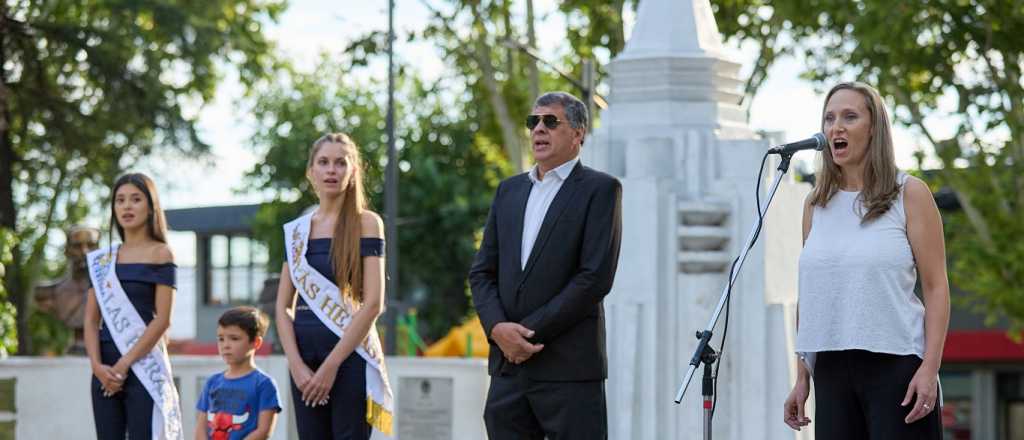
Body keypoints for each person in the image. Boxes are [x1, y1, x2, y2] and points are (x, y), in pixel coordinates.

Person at [783, 82, 950, 438]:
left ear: (873, 128)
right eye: (829, 118)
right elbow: (809, 294)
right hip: (830, 369)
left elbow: (936, 288)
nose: (835, 127)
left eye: (849, 116)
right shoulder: (816, 204)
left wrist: (930, 367)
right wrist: (801, 375)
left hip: (896, 366)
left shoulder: (910, 194)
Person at [469, 91, 623, 440]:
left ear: (579, 132)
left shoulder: (601, 190)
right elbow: (482, 273)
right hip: (508, 372)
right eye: (533, 121)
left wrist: (524, 334)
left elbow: (594, 278)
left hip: (568, 371)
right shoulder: (508, 192)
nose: (539, 128)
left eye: (551, 121)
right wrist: (497, 329)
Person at [274, 133, 393, 439]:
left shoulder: (367, 222)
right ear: (310, 171)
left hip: (350, 358)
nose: (331, 170)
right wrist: (297, 366)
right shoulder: (296, 232)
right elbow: (282, 307)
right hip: (304, 363)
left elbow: (374, 304)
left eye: (341, 163)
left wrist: (330, 366)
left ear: (353, 170)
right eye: (323, 162)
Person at [84, 173, 183, 439]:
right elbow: (91, 321)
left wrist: (125, 364)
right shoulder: (101, 260)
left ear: (151, 206)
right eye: (120, 200)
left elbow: (163, 320)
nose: (127, 206)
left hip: (143, 363)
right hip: (104, 366)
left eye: (136, 199)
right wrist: (97, 366)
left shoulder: (162, 253)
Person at [195, 307, 282, 440]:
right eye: (221, 339)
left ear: (256, 342)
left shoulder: (264, 384)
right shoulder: (212, 382)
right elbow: (200, 428)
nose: (225, 345)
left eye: (234, 338)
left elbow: (264, 431)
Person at [34, 225, 100, 354]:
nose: (85, 251)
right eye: (77, 246)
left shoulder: (112, 292)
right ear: (67, 250)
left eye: (91, 245)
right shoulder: (48, 293)